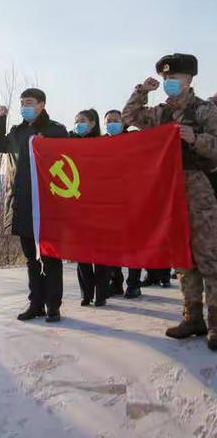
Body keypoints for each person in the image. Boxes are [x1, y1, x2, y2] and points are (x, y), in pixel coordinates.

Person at [122, 53, 217, 350]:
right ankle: (192, 317)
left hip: (198, 186)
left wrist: (195, 139)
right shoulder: (159, 113)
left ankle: (215, 323)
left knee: (209, 255)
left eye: (174, 78)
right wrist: (142, 91)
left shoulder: (205, 111)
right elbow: (128, 117)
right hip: (169, 188)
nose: (169, 83)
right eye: (165, 79)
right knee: (182, 254)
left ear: (189, 79)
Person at [0, 88, 68, 323]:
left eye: (30, 102)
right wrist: (0, 119)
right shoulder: (17, 131)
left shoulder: (56, 130)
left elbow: (69, 161)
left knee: (50, 258)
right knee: (31, 259)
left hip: (48, 204)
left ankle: (53, 306)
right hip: (21, 203)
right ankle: (36, 304)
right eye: (22, 103)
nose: (25, 106)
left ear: (41, 104)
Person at [70, 109, 110, 307]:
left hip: (100, 206)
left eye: (83, 121)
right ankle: (86, 293)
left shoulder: (103, 144)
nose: (79, 124)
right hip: (78, 206)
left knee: (100, 254)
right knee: (82, 255)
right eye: (76, 121)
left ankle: (101, 293)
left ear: (93, 123)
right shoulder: (69, 143)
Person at [102, 109, 143, 299]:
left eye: (116, 120)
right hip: (108, 201)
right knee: (112, 245)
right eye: (109, 121)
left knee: (133, 244)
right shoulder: (99, 143)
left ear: (123, 122)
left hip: (132, 199)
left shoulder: (134, 139)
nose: (112, 124)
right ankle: (115, 282)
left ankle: (133, 284)